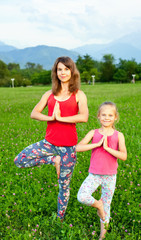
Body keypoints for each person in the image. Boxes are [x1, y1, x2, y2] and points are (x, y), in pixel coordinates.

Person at [14, 56, 88, 221]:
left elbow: (84, 117)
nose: (63, 72)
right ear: (55, 72)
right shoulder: (49, 94)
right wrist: (52, 118)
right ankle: (53, 160)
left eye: (66, 69)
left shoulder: (79, 94)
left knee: (64, 186)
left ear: (72, 71)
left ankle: (60, 219)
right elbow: (34, 113)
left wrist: (61, 118)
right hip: (48, 144)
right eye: (59, 69)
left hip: (68, 148)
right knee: (19, 160)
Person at [76, 102, 127, 240]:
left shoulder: (119, 135)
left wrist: (108, 148)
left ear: (115, 117)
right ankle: (98, 205)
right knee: (82, 196)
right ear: (98, 116)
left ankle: (102, 236)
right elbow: (77, 147)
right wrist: (97, 144)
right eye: (103, 114)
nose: (106, 118)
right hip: (94, 174)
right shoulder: (93, 133)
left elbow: (124, 156)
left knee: (107, 206)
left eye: (110, 115)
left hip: (110, 176)